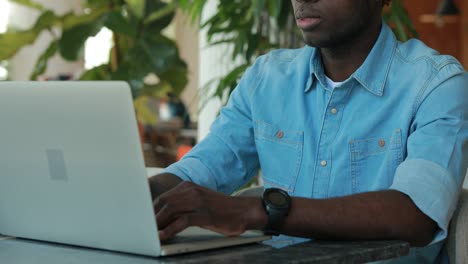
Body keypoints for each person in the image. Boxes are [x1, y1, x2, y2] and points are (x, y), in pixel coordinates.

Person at [149, 0, 468, 262]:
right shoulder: (267, 79)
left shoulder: (435, 84)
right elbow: (202, 168)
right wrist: (135, 195)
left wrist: (256, 211)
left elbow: (416, 214)